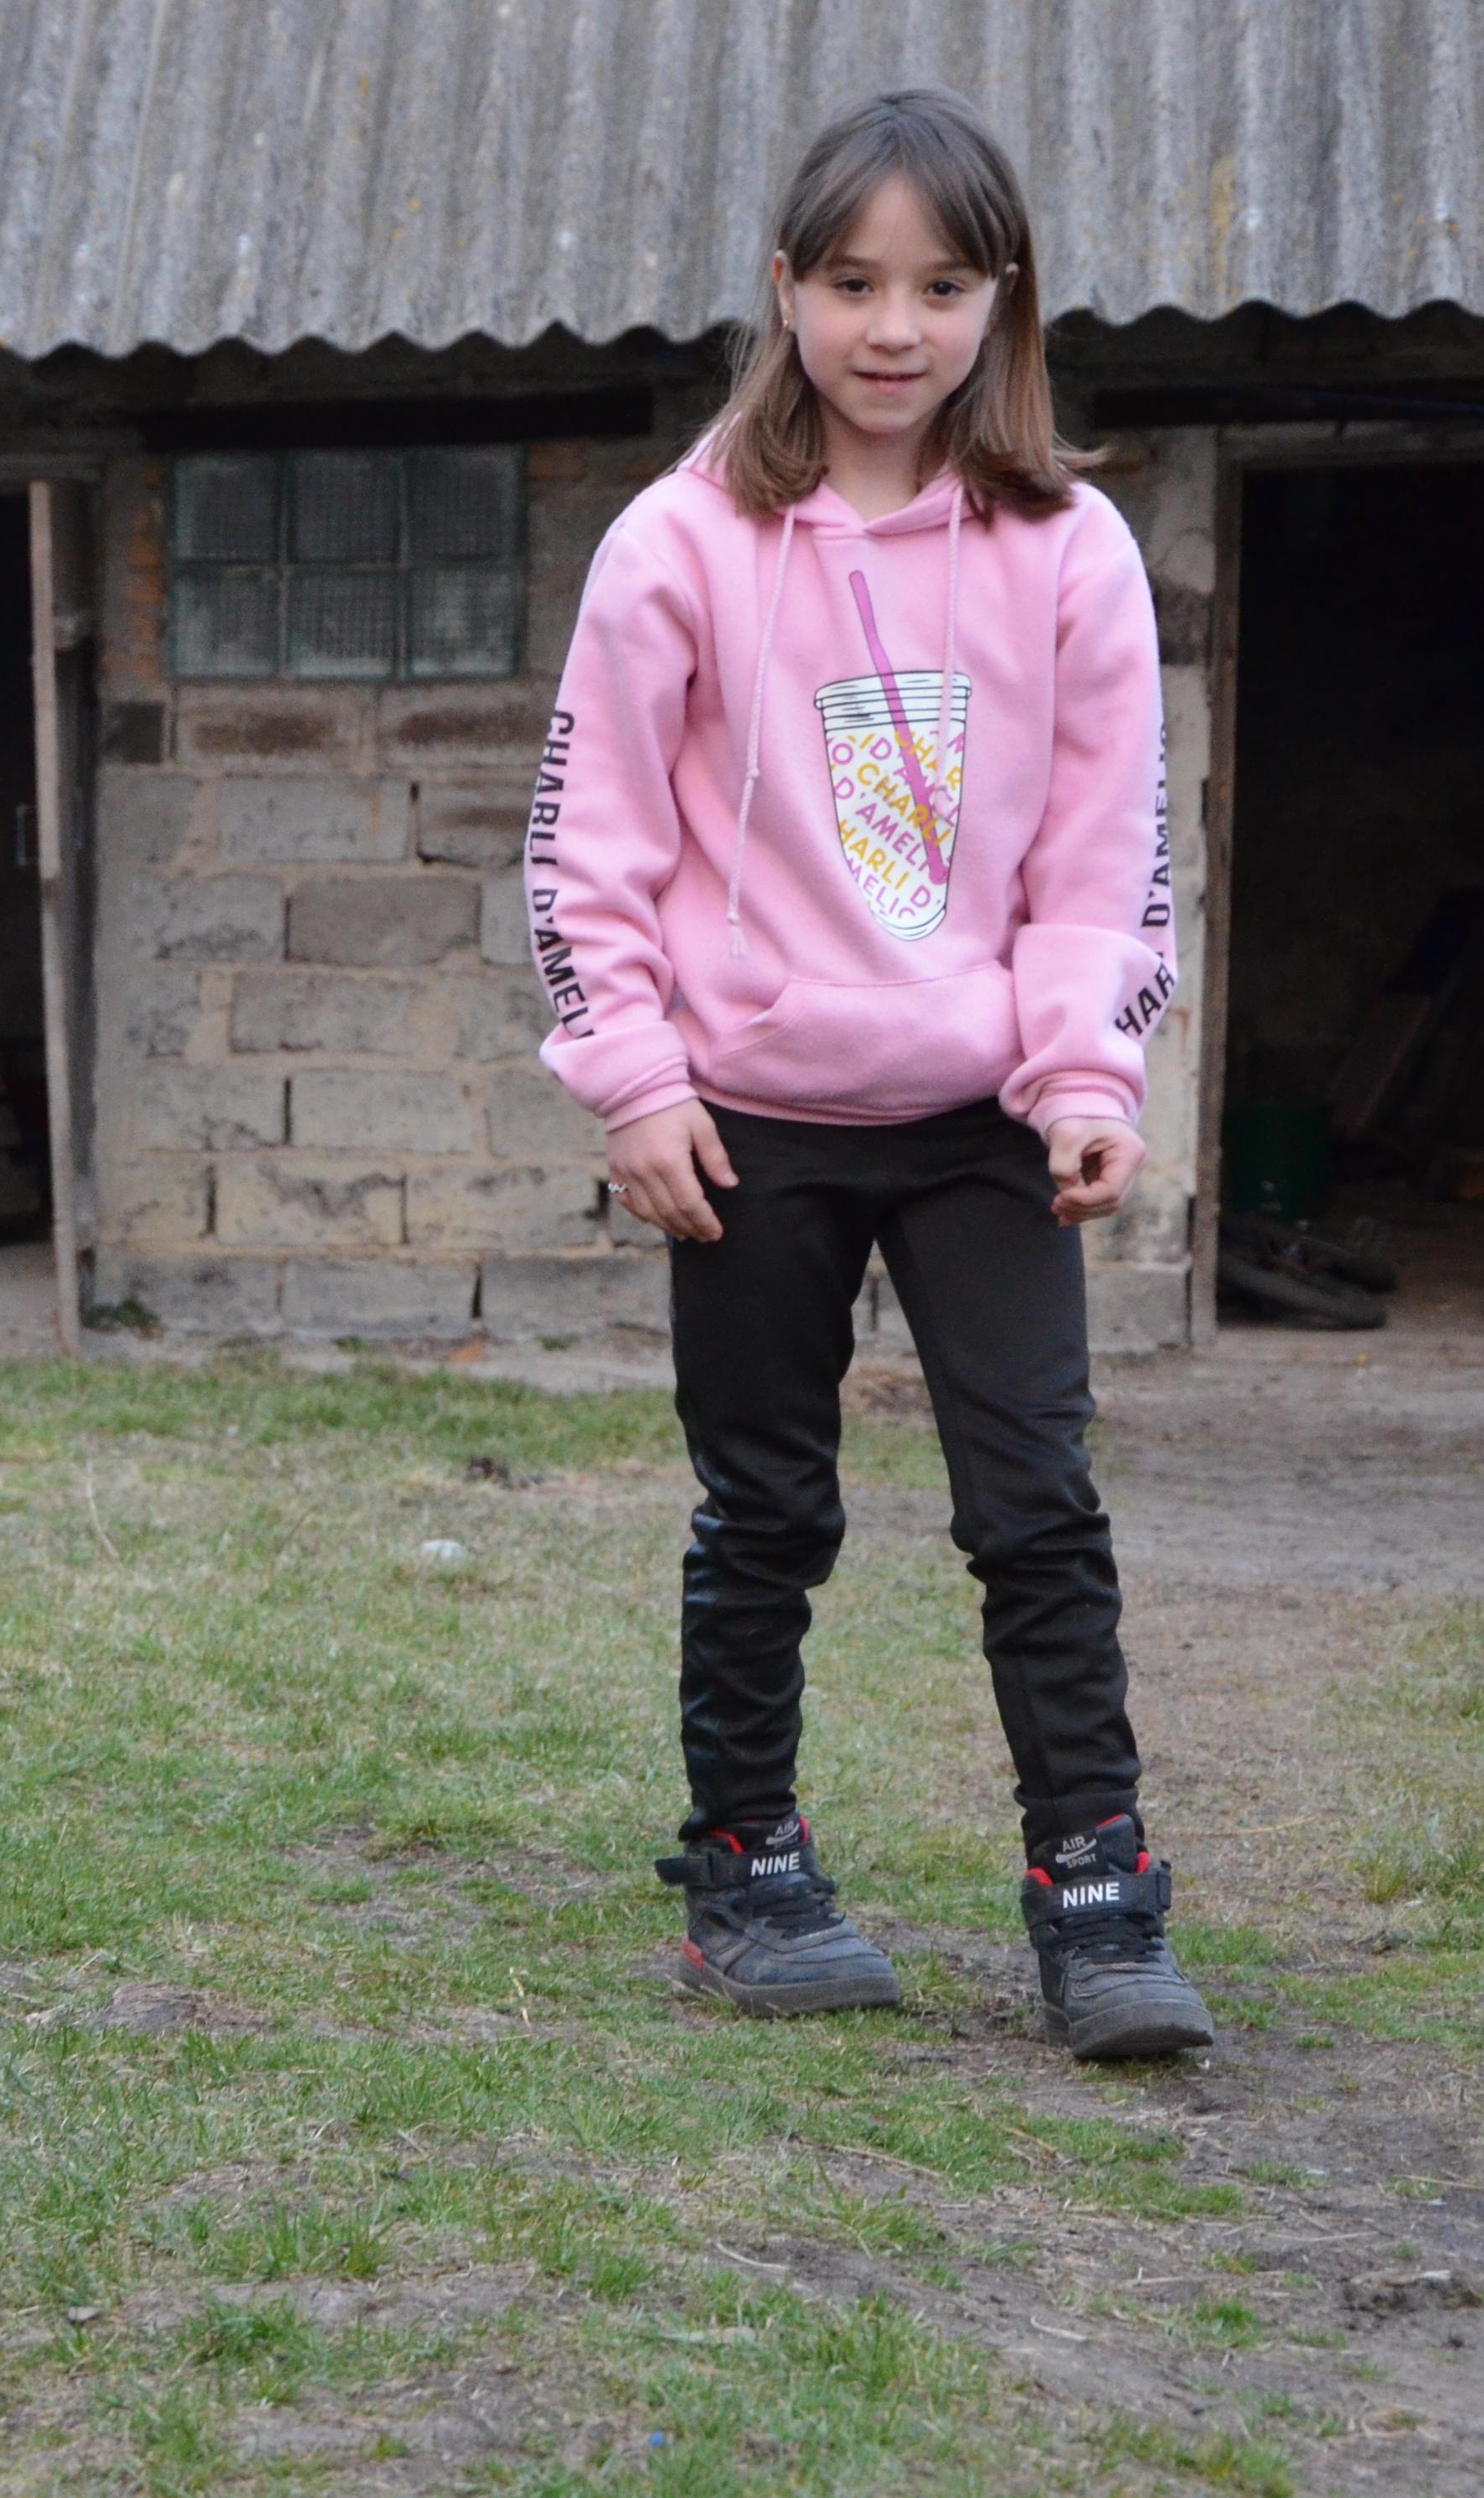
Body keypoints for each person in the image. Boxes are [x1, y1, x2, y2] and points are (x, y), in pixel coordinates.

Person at [525, 88, 1207, 2060]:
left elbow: (1104, 853)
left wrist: (1089, 1070)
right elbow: (591, 845)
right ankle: (745, 1857)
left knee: (1038, 1500)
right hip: (750, 1118)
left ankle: (1097, 1885)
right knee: (768, 1501)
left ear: (1004, 299)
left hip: (986, 1114)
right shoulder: (680, 544)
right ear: (784, 292)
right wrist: (635, 1081)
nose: (892, 326)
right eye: (850, 282)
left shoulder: (1070, 552)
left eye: (938, 283)